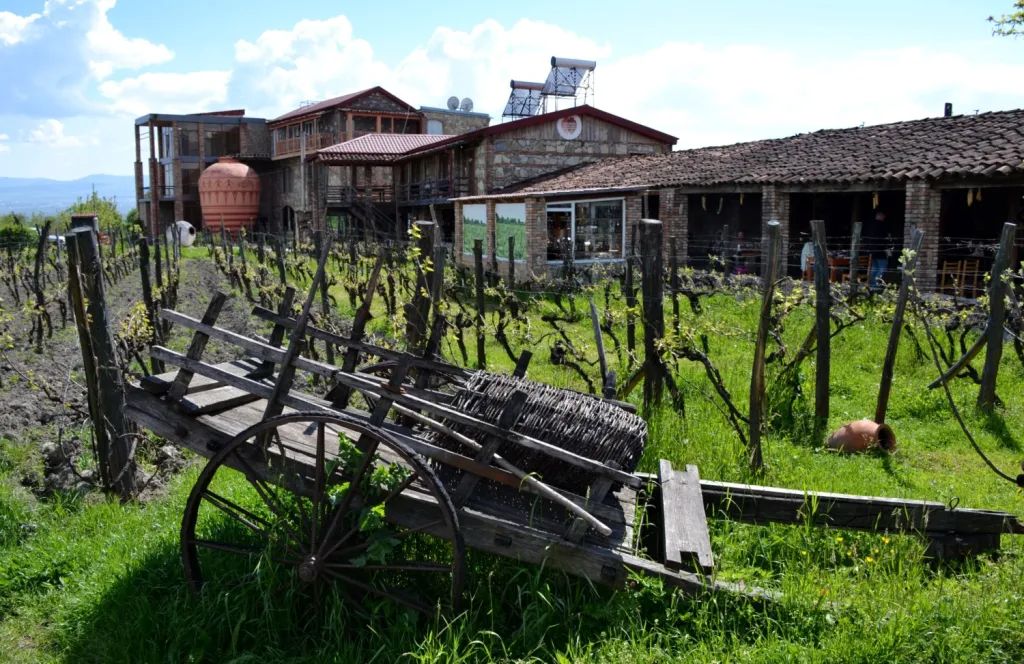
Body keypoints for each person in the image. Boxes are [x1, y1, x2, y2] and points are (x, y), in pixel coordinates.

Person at [866, 210, 895, 288]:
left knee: (874, 269)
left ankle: (872, 286)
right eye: (883, 216)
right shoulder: (882, 226)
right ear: (880, 216)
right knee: (882, 269)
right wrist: (888, 251)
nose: (884, 217)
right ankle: (877, 285)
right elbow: (886, 240)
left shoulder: (870, 225)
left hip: (872, 251)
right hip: (881, 252)